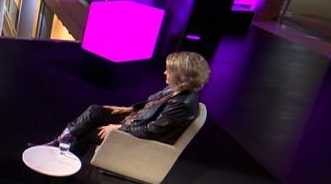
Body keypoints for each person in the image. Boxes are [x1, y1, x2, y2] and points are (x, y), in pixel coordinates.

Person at [46, 51, 211, 157]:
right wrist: (129, 109)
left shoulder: (183, 104)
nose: (164, 72)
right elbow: (153, 104)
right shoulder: (175, 88)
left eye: (170, 70)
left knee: (89, 132)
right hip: (137, 120)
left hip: (142, 138)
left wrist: (117, 128)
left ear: (182, 77)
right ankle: (59, 142)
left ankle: (61, 159)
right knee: (95, 110)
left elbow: (152, 130)